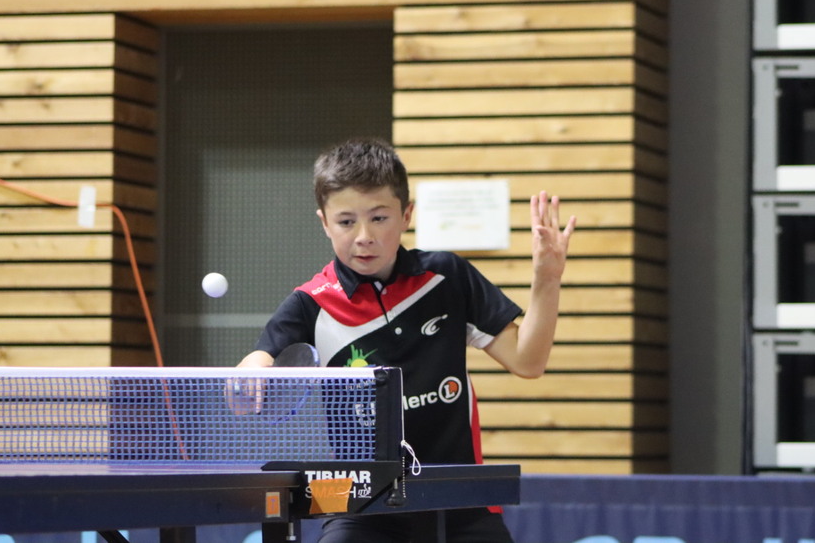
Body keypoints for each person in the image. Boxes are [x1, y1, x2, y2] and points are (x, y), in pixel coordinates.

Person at [236, 137, 575, 543]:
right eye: (346, 222)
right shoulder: (311, 303)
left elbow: (528, 361)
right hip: (361, 504)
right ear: (325, 223)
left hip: (459, 497)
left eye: (379, 218)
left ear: (406, 215)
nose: (364, 236)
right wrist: (250, 375)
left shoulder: (446, 279)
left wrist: (546, 279)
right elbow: (257, 365)